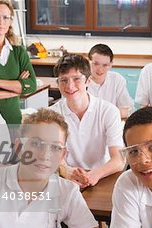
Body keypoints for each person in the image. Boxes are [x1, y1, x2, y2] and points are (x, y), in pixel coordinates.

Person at [50, 54, 125, 188]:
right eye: (64, 80)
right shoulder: (52, 114)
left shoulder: (109, 111)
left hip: (102, 176)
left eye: (76, 79)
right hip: (66, 178)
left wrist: (93, 175)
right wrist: (67, 171)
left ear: (88, 81)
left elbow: (118, 160)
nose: (70, 86)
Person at [87, 44, 133, 118]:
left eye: (105, 65)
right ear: (88, 62)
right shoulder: (79, 81)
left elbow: (127, 110)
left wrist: (103, 115)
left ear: (111, 65)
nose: (100, 69)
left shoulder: (117, 79)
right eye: (96, 64)